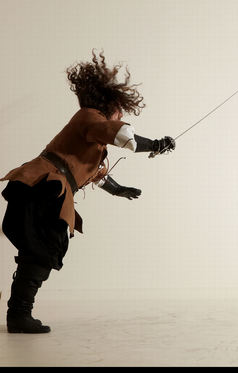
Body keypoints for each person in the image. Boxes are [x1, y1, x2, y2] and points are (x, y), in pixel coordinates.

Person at [0, 50, 176, 333]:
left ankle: (19, 314)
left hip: (45, 189)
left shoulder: (93, 138)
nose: (121, 115)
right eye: (120, 110)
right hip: (43, 186)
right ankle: (19, 316)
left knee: (40, 251)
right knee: (41, 251)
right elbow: (125, 137)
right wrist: (155, 144)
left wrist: (118, 190)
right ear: (111, 105)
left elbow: (93, 174)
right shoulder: (89, 117)